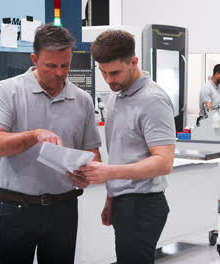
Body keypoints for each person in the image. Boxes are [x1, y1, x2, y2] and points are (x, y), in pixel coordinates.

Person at [0, 23, 101, 264]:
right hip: (16, 207)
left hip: (64, 208)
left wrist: (86, 173)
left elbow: (92, 152)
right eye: (51, 66)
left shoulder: (82, 100)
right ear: (34, 59)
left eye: (65, 65)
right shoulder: (8, 91)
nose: (59, 73)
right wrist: (33, 135)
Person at [79, 29, 176, 264]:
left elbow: (164, 162)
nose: (109, 80)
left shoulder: (152, 100)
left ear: (134, 61)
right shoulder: (117, 96)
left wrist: (109, 173)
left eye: (115, 72)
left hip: (143, 206)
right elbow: (123, 154)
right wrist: (112, 197)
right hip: (126, 202)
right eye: (103, 73)